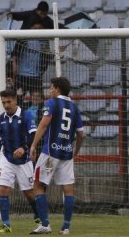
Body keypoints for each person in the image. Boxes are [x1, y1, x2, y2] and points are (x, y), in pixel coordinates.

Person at [29, 77, 85, 235]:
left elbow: (44, 124)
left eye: (51, 88)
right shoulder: (74, 108)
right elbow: (81, 135)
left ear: (57, 89)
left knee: (38, 185)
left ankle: (45, 224)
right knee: (68, 189)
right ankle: (66, 227)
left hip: (50, 152)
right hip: (66, 153)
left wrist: (33, 145)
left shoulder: (52, 103)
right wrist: (76, 151)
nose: (49, 90)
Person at [0, 89, 40, 233]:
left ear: (15, 100)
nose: (6, 105)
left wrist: (24, 148)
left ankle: (38, 215)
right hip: (7, 159)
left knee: (29, 192)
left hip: (24, 160)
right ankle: (6, 225)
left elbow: (34, 135)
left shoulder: (26, 116)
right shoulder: (1, 119)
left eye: (9, 102)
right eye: (3, 102)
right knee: (3, 190)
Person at [11, 21, 52, 101]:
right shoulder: (24, 39)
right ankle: (20, 113)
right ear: (30, 28)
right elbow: (15, 53)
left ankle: (38, 113)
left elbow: (47, 56)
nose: (37, 30)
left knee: (38, 100)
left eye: (39, 28)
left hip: (37, 76)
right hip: (22, 76)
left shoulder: (44, 41)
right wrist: (14, 65)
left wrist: (42, 71)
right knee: (18, 99)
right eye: (35, 28)